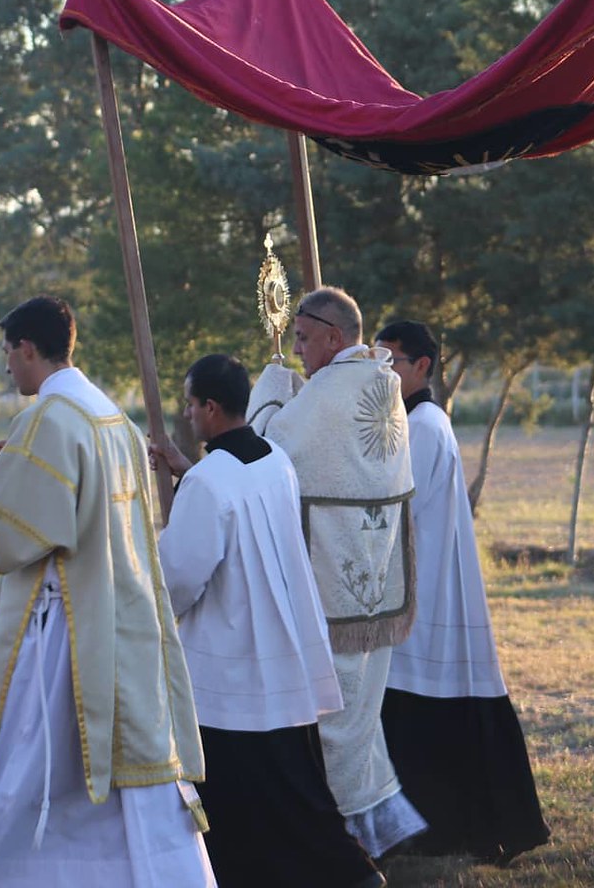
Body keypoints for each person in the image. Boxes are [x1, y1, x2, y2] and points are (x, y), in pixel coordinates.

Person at [0, 296, 214, 888]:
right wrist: (14, 464)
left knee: (18, 763)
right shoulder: (109, 414)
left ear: (26, 349)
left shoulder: (51, 416)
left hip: (62, 629)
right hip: (119, 621)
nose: (6, 369)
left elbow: (16, 538)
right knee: (112, 771)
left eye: (6, 355)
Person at [150, 354, 385, 888]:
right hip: (283, 650)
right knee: (294, 783)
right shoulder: (273, 458)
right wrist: (187, 472)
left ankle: (333, 873)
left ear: (210, 407)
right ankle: (341, 869)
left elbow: (181, 578)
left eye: (190, 404)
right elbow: (240, 500)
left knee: (243, 790)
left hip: (234, 660)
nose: (187, 415)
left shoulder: (208, 483)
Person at [246, 287, 427, 858]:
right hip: (377, 583)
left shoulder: (329, 389)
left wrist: (272, 391)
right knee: (361, 714)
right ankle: (377, 825)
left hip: (332, 588)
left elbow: (267, 450)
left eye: (303, 338)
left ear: (333, 335)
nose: (297, 349)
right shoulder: (383, 381)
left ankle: (341, 838)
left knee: (332, 717)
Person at [374, 320, 548, 863]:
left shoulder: (423, 424)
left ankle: (449, 828)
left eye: (392, 362)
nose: (384, 373)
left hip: (423, 590)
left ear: (422, 366)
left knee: (426, 711)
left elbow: (400, 505)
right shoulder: (407, 420)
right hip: (412, 585)